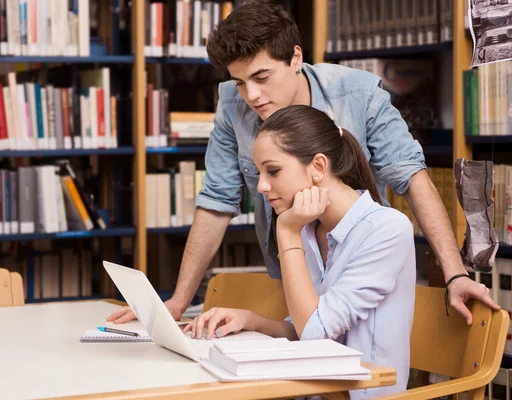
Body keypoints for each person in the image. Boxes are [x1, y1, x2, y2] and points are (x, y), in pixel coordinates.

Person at [107, 0, 497, 326]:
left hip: (358, 276)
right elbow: (216, 202)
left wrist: (455, 273)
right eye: (240, 82)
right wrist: (177, 302)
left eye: (261, 76)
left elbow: (412, 178)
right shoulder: (232, 102)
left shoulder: (359, 95)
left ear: (296, 57)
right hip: (292, 274)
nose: (252, 96)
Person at [183, 105, 416, 398]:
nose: (262, 187)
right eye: (259, 173)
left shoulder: (387, 228)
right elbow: (306, 326)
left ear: (318, 167)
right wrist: (249, 320)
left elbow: (314, 332)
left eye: (273, 171)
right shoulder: (308, 228)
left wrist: (287, 232)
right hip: (312, 389)